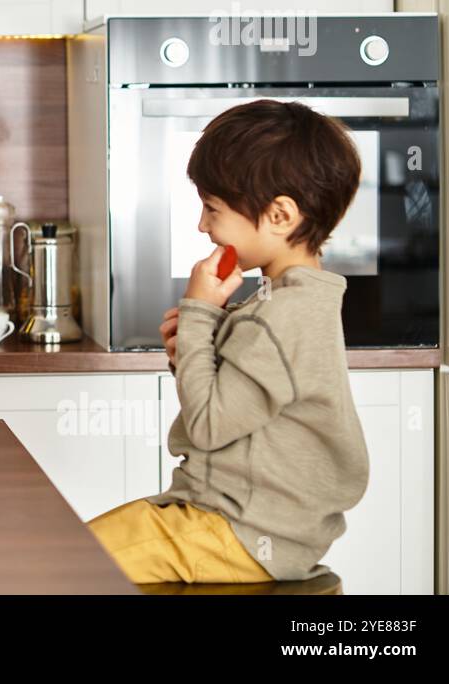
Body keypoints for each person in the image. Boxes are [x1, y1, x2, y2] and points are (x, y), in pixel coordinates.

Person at [87, 99, 369, 583]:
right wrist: (199, 347)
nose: (202, 225)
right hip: (255, 530)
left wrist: (198, 314)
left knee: (62, 562)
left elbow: (209, 426)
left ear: (280, 215)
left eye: (213, 209)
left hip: (233, 533)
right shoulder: (297, 303)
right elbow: (237, 407)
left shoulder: (280, 314)